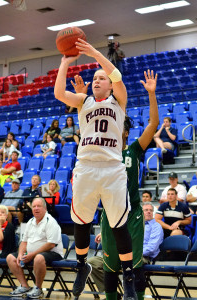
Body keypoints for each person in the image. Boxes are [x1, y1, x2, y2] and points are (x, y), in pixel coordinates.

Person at [54, 38, 136, 299]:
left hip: (113, 169)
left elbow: (118, 75)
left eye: (102, 77)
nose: (98, 80)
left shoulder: (118, 101)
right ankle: (81, 266)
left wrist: (93, 52)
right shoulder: (84, 102)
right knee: (81, 222)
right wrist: (64, 63)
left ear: (110, 85)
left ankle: (130, 277)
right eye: (95, 78)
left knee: (118, 226)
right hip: (87, 168)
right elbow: (59, 94)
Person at [70, 68, 158, 300]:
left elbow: (153, 123)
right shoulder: (98, 151)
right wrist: (81, 100)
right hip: (109, 211)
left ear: (125, 132)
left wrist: (151, 94)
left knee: (134, 264)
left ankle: (133, 297)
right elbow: (88, 125)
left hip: (133, 214)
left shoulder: (134, 150)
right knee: (109, 266)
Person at [88, 202, 163, 294]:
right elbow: (117, 234)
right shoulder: (131, 224)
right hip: (121, 254)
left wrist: (130, 254)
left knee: (129, 265)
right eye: (146, 210)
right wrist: (104, 233)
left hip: (140, 256)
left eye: (151, 210)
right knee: (92, 262)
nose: (148, 212)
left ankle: (129, 294)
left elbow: (151, 248)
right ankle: (111, 292)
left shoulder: (156, 227)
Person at [6, 197, 63, 298]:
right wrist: (20, 254)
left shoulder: (50, 221)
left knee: (39, 258)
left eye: (39, 206)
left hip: (53, 253)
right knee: (11, 257)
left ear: (45, 209)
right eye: (34, 206)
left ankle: (38, 288)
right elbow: (24, 242)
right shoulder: (30, 222)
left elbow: (51, 244)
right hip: (32, 254)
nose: (36, 208)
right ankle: (24, 286)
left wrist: (32, 255)